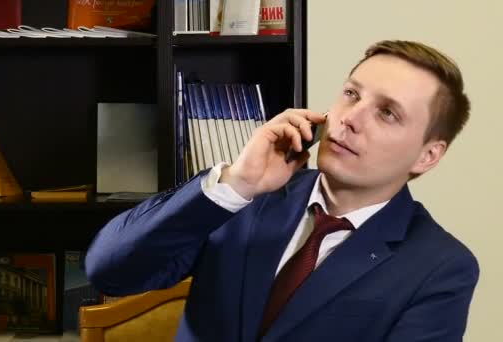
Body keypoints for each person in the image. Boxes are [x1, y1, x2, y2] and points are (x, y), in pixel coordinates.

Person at [85, 40, 479, 341]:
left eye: (387, 113)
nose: (350, 119)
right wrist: (236, 184)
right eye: (351, 94)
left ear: (427, 156)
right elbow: (110, 271)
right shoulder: (242, 197)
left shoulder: (441, 268)